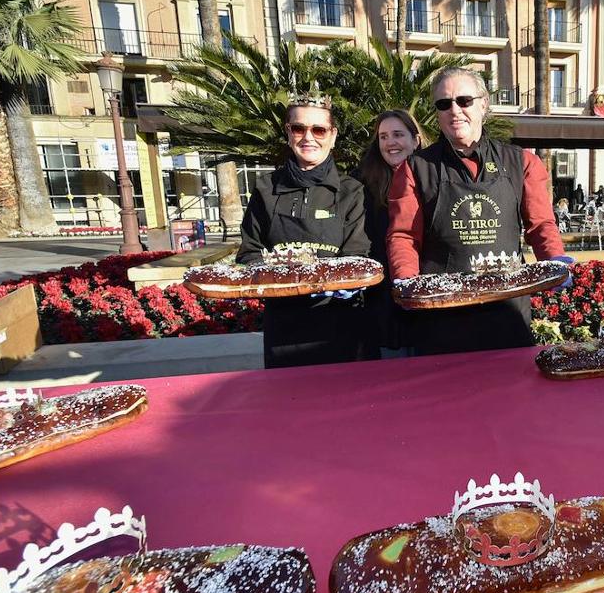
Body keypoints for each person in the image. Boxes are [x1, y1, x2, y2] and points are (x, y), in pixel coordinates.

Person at [387, 67, 574, 355]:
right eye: (444, 104)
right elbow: (403, 235)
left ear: (484, 104)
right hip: (442, 317)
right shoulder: (415, 168)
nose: (454, 110)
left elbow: (541, 226)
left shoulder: (521, 162)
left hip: (507, 313)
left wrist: (555, 262)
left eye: (464, 101)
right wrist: (406, 281)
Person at [236, 93, 369, 368]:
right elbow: (249, 252)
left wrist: (340, 285)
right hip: (283, 327)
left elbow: (357, 256)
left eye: (318, 129)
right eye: (299, 128)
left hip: (340, 324)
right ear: (288, 133)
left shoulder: (351, 191)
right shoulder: (265, 189)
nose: (308, 137)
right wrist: (273, 279)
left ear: (332, 136)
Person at [355, 109, 423, 359]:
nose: (390, 142)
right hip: (382, 300)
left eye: (398, 134)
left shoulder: (434, 177)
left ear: (416, 140)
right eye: (383, 137)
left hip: (425, 297)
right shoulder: (362, 184)